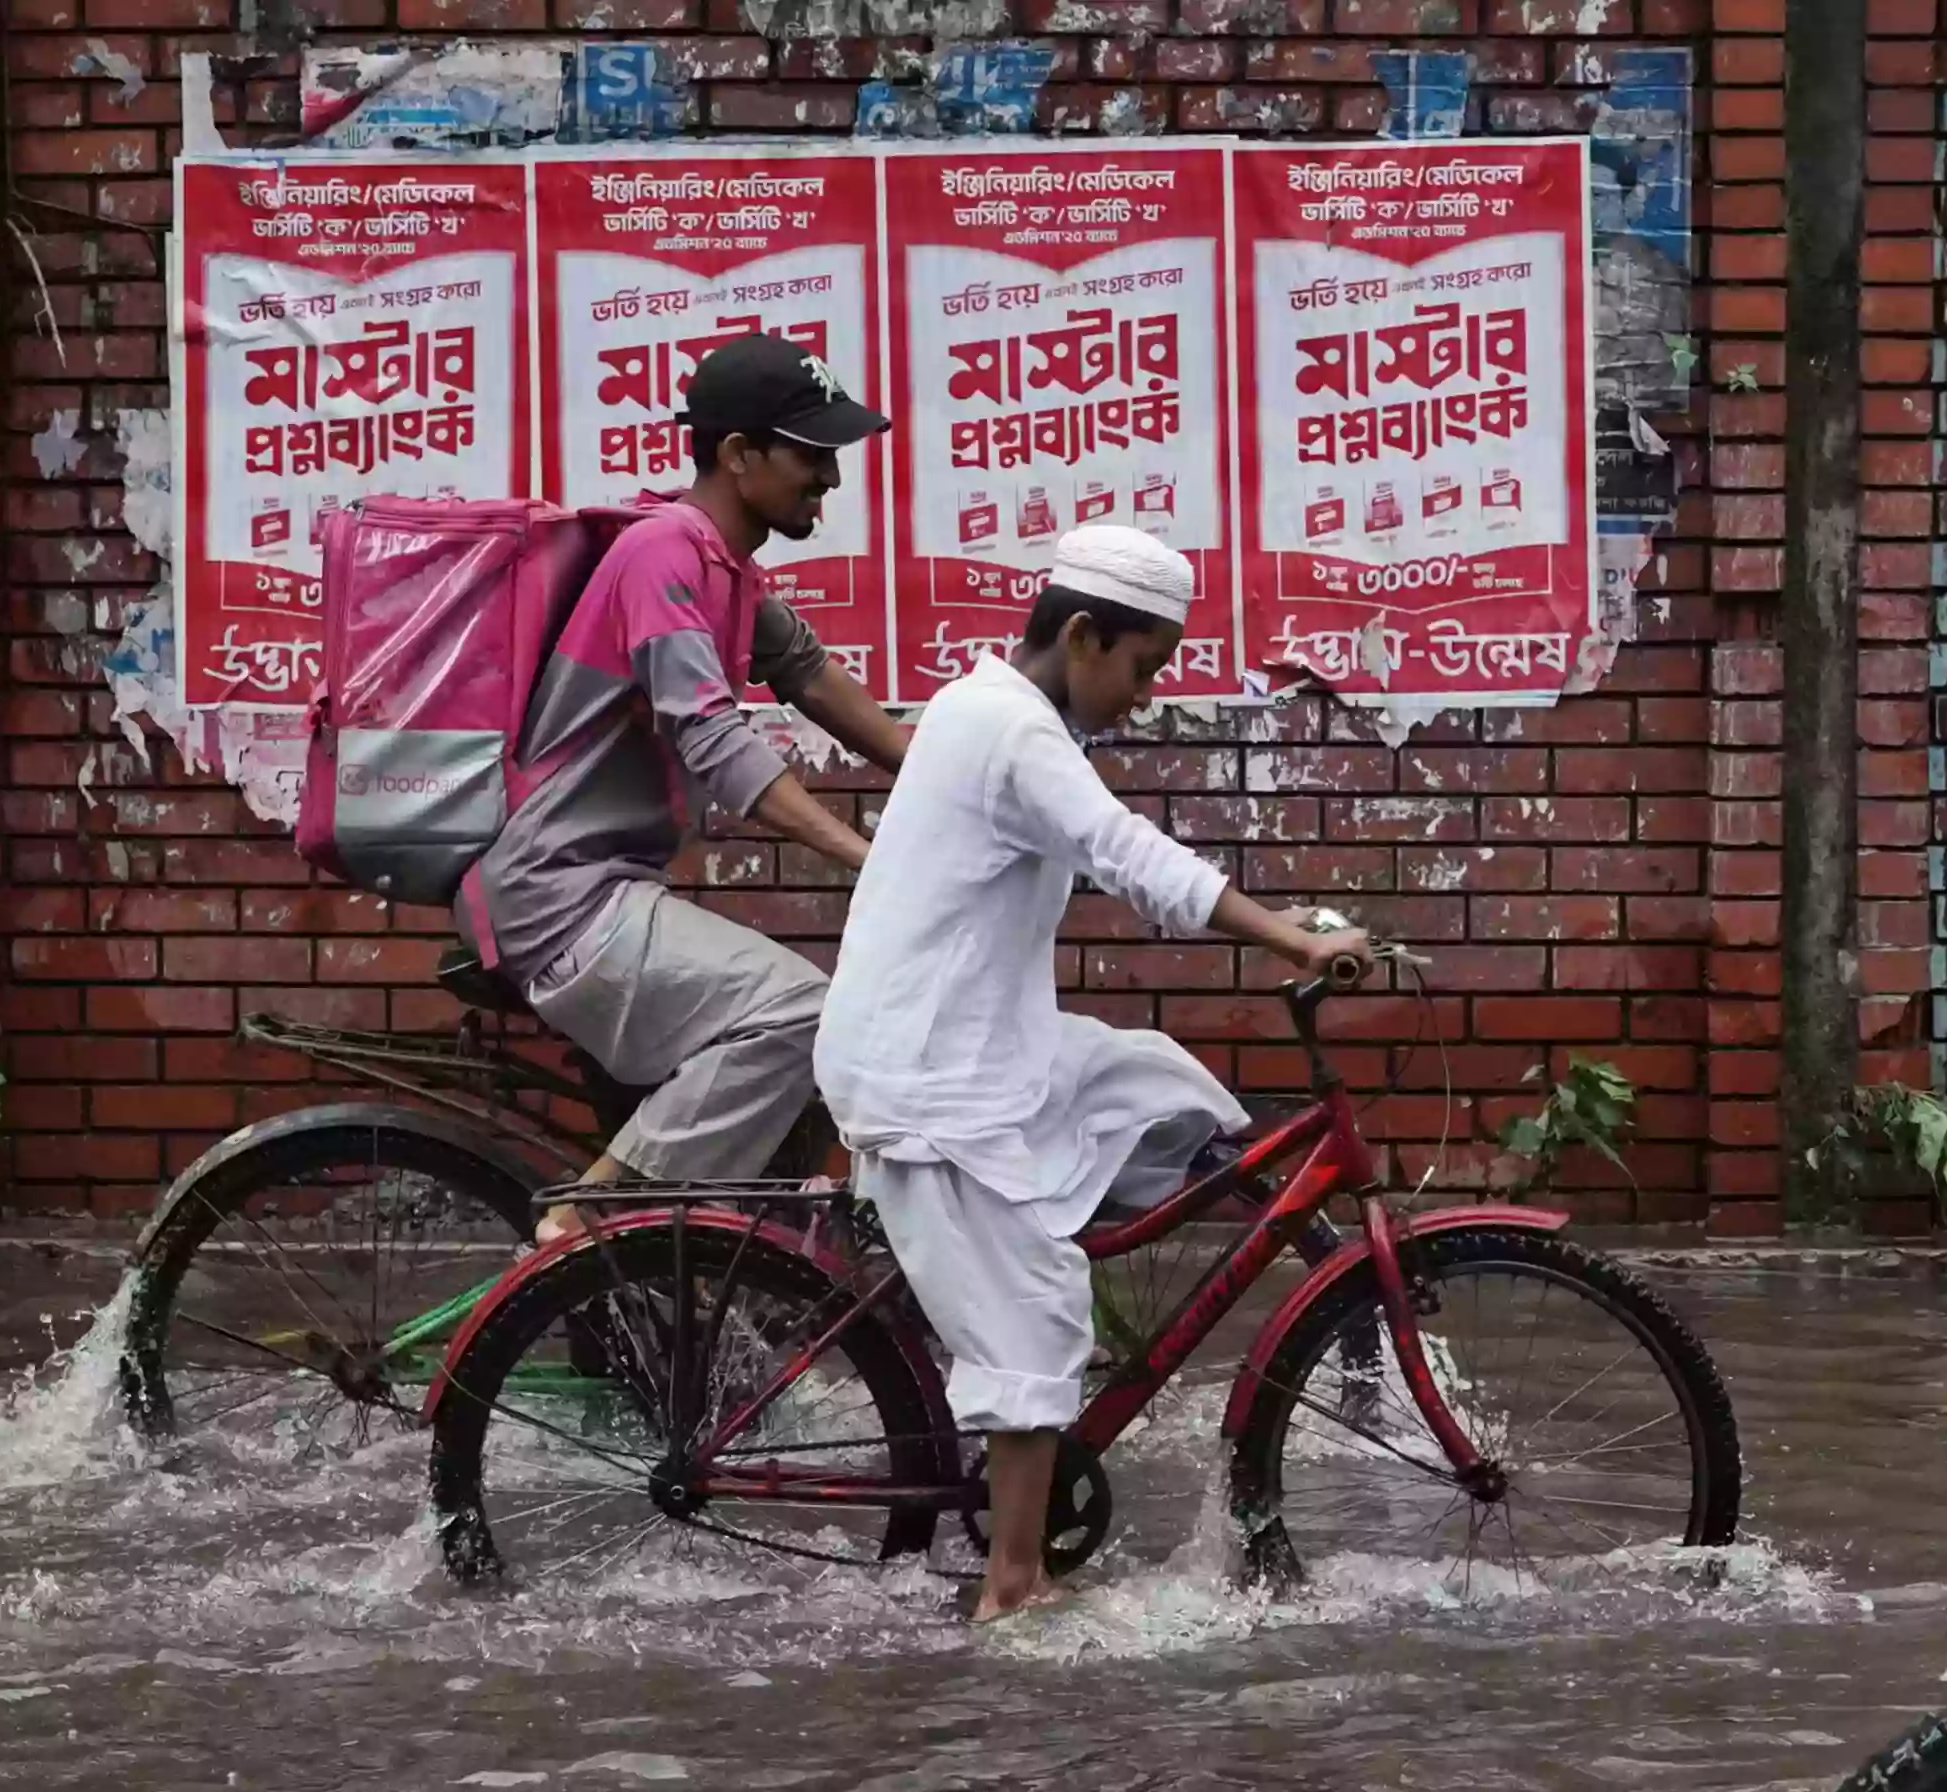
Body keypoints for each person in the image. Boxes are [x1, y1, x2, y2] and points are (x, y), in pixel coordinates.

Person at [815, 527, 1371, 1626]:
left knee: (1159, 1091)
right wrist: (1288, 941)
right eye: (1143, 664)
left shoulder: (995, 711)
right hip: (934, 1073)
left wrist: (1281, 925)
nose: (1147, 693)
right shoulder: (1010, 731)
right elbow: (1130, 856)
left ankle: (1076, 1320)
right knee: (1034, 1310)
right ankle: (1012, 1586)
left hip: (989, 1042)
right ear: (1081, 634)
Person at [458, 333, 916, 1244]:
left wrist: (973, 781)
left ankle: (705, 1285)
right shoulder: (664, 553)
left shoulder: (726, 569)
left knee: (816, 1065)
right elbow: (706, 730)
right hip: (562, 899)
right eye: (811, 455)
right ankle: (590, 1221)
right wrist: (866, 857)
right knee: (797, 1013)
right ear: (741, 456)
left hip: (607, 892)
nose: (829, 478)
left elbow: (817, 681)